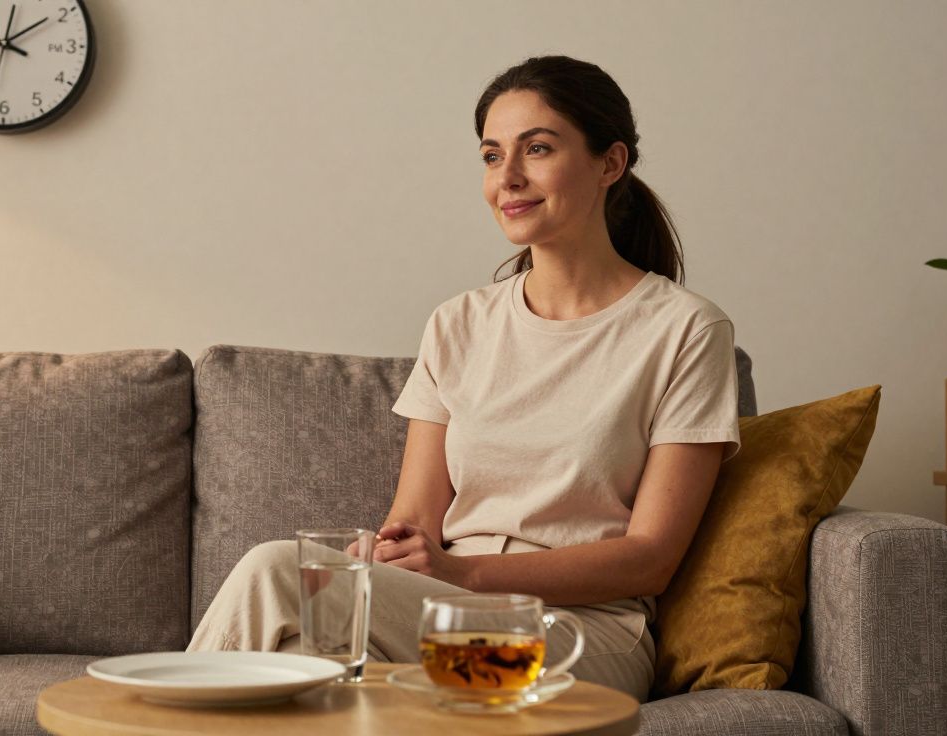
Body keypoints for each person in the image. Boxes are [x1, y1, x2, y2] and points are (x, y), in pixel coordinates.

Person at [186, 55, 741, 704]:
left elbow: (652, 556)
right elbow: (415, 518)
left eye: (537, 149)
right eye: (490, 155)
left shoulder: (687, 330)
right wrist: (392, 556)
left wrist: (464, 572)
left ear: (609, 164)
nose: (508, 177)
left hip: (580, 634)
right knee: (300, 655)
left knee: (276, 571)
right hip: (444, 613)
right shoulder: (459, 324)